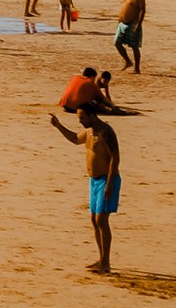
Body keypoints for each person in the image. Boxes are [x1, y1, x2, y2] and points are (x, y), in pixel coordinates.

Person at [48, 103, 121, 274]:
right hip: (94, 181)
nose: (80, 121)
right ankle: (101, 259)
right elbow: (75, 139)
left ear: (91, 116)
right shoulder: (89, 132)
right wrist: (58, 126)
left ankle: (106, 263)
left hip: (107, 180)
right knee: (94, 220)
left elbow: (115, 158)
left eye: (82, 117)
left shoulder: (105, 131)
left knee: (102, 220)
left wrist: (110, 183)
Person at [114, 0, 146, 73]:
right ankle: (128, 61)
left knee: (134, 47)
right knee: (117, 43)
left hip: (133, 24)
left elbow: (142, 10)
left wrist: (138, 24)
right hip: (122, 24)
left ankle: (137, 68)